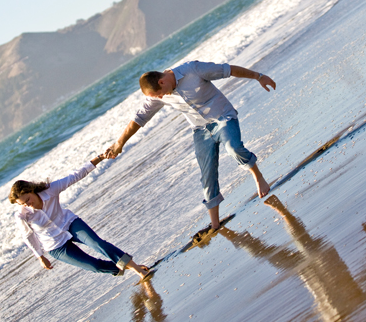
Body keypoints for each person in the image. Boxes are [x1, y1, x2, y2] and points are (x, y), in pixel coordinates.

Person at [106, 61, 276, 231]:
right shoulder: (160, 95)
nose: (158, 98)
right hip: (200, 130)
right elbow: (139, 119)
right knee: (207, 174)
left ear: (161, 82)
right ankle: (215, 223)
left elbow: (229, 70)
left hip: (223, 117)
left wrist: (259, 77)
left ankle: (258, 176)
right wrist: (119, 143)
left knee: (233, 148)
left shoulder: (193, 70)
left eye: (157, 94)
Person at [9, 154, 151, 280]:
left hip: (69, 223)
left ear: (31, 190)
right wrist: (40, 256)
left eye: (28, 200)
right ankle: (130, 266)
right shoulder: (22, 215)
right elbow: (28, 236)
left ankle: (138, 271)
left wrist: (99, 158)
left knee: (98, 244)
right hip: (54, 245)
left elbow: (75, 176)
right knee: (94, 266)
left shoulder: (50, 190)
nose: (28, 205)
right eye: (23, 204)